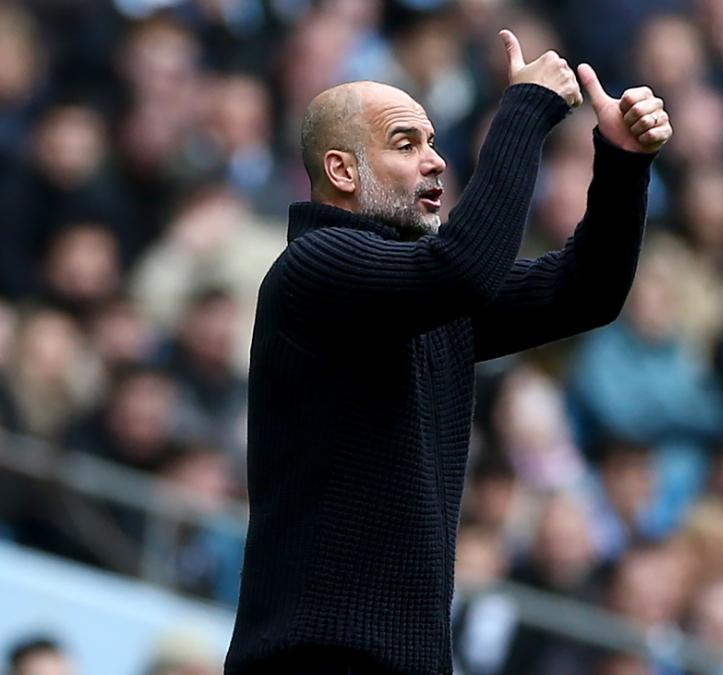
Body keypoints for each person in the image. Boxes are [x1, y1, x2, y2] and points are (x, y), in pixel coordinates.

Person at [224, 30, 672, 675]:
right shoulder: (314, 268)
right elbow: (463, 269)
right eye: (406, 145)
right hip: (312, 655)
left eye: (434, 142)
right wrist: (522, 112)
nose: (435, 161)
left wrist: (624, 164)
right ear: (342, 171)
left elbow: (587, 293)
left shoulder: (425, 295)